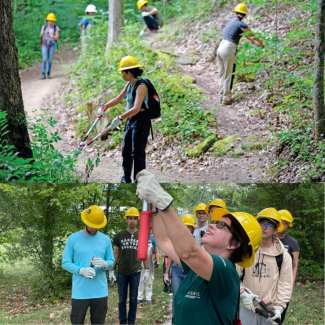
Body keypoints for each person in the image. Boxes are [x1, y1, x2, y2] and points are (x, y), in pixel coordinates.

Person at [135, 169, 262, 325]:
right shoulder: (195, 270)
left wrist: (161, 198)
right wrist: (154, 206)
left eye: (221, 225)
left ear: (234, 244)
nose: (213, 225)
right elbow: (164, 240)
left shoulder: (226, 271)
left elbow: (189, 252)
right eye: (214, 222)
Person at [237, 208, 293, 325]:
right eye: (261, 223)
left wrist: (279, 306)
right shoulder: (246, 250)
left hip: (270, 312)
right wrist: (242, 294)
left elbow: (285, 284)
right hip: (246, 307)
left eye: (269, 224)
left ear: (275, 229)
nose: (264, 227)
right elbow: (233, 276)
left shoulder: (283, 256)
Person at [102, 56, 152, 183]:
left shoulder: (141, 86)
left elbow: (136, 108)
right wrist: (104, 106)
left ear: (129, 72)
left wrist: (120, 117)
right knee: (126, 151)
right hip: (131, 121)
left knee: (138, 154)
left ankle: (139, 181)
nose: (121, 74)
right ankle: (126, 179)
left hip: (141, 122)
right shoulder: (129, 85)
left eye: (122, 72)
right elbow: (118, 99)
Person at [62, 205, 115, 325]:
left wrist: (105, 264)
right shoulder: (73, 239)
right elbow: (65, 262)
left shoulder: (105, 239)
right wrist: (80, 270)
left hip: (100, 292)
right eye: (92, 226)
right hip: (80, 292)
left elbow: (111, 261)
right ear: (85, 221)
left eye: (98, 227)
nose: (94, 229)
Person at [217, 3, 264, 105]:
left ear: (235, 12)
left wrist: (253, 41)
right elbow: (251, 34)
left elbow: (247, 36)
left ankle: (221, 97)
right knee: (229, 74)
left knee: (222, 73)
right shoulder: (242, 25)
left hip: (220, 47)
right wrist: (260, 42)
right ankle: (227, 99)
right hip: (228, 49)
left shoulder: (231, 22)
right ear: (245, 15)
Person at [109, 207, 148, 325]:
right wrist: (111, 270)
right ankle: (122, 322)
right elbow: (116, 253)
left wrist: (146, 269)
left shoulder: (141, 235)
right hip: (122, 272)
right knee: (121, 299)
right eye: (130, 218)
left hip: (135, 271)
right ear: (126, 219)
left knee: (133, 299)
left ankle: (131, 322)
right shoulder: (119, 235)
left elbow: (144, 252)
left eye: (135, 218)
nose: (132, 221)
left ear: (138, 220)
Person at [164, 215, 196, 324]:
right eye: (184, 226)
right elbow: (171, 256)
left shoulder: (195, 242)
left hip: (189, 272)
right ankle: (175, 318)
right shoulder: (175, 241)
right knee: (176, 295)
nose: (186, 229)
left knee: (188, 296)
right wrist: (166, 272)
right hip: (176, 270)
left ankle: (186, 318)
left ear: (192, 229)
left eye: (189, 227)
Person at [276, 209, 299, 323]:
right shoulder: (269, 238)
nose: (282, 224)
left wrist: (291, 282)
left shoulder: (292, 242)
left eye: (285, 222)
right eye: (280, 221)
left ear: (288, 225)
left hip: (284, 281)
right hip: (269, 280)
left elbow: (295, 265)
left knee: (280, 312)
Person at [137, 233, 159, 304]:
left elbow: (156, 251)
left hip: (151, 262)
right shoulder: (139, 236)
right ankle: (139, 297)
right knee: (140, 279)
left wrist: (157, 262)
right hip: (141, 262)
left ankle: (148, 298)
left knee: (149, 280)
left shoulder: (153, 238)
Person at [40, 13, 60, 79]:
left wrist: (51, 36)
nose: (50, 22)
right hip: (45, 43)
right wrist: (43, 31)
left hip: (52, 44)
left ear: (54, 21)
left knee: (50, 59)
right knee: (45, 58)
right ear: (47, 21)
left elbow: (57, 37)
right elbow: (41, 35)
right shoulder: (44, 27)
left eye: (52, 21)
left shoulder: (55, 28)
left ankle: (48, 73)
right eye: (49, 20)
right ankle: (43, 73)